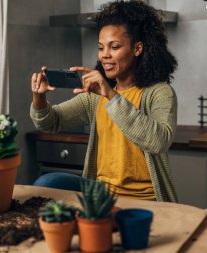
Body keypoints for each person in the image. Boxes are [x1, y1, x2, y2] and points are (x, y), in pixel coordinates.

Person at [30, 0, 178, 202]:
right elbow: (50, 122)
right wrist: (39, 97)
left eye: (114, 47)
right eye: (101, 47)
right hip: (101, 195)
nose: (105, 55)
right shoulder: (97, 96)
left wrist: (111, 95)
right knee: (46, 184)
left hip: (145, 198)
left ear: (137, 48)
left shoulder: (159, 92)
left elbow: (158, 142)